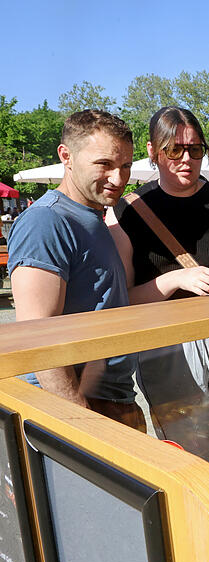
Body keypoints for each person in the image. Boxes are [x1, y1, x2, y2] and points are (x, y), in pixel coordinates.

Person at [107, 106, 209, 490]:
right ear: (153, 151)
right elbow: (125, 301)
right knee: (187, 464)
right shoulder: (129, 211)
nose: (186, 159)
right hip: (167, 348)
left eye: (196, 150)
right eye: (173, 150)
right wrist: (176, 279)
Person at [7, 109, 145, 432]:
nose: (118, 178)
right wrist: (83, 428)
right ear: (66, 156)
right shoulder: (46, 221)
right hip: (72, 414)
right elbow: (38, 340)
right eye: (104, 165)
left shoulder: (95, 217)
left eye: (125, 166)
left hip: (113, 403)